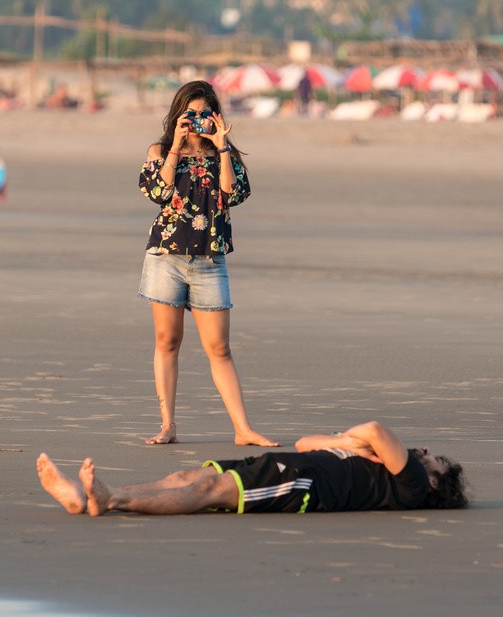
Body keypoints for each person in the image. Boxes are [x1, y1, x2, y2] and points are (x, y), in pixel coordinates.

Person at [137, 80, 278, 447]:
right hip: (166, 257)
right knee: (167, 341)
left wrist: (223, 148)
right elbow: (156, 192)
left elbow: (235, 193)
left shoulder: (222, 153)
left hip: (210, 260)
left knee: (219, 347)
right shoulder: (160, 149)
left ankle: (242, 429)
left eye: (205, 114)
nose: (198, 120)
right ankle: (168, 425)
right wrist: (176, 148)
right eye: (191, 114)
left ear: (216, 116)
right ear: (178, 114)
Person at [36, 419, 469, 516]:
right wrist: (344, 443)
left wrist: (361, 444)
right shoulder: (384, 465)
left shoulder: (411, 485)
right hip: (288, 463)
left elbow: (376, 427)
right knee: (188, 477)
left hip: (297, 485)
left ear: (433, 480)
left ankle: (112, 499)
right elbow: (305, 442)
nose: (425, 450)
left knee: (209, 492)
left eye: (434, 459)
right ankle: (91, 497)